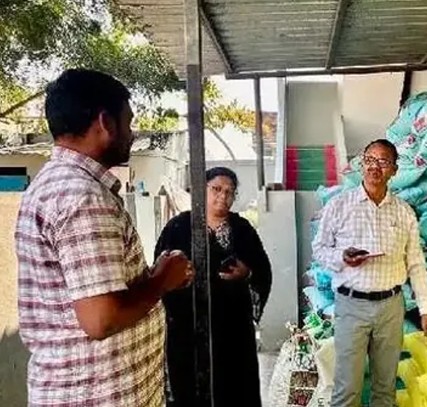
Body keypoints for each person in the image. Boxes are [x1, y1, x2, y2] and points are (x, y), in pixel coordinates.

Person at [15, 69, 194, 407]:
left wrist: (149, 276)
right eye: (128, 122)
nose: (132, 134)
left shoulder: (62, 185)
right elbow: (102, 318)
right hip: (95, 396)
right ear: (105, 123)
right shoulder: (81, 196)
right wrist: (162, 281)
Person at [313, 139, 427, 407]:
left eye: (383, 161)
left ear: (394, 170)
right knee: (347, 388)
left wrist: (426, 310)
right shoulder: (339, 206)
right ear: (362, 164)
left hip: (390, 307)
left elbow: (416, 264)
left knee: (385, 388)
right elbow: (319, 249)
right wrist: (342, 257)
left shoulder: (404, 212)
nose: (375, 167)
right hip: (351, 305)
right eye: (370, 160)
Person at [155, 167, 273, 407]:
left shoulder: (242, 229)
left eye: (230, 192)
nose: (223, 196)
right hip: (187, 326)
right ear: (202, 190)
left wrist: (246, 273)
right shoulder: (178, 227)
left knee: (235, 387)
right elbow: (158, 270)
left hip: (233, 328)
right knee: (189, 387)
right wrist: (179, 277)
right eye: (216, 189)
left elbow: (263, 270)